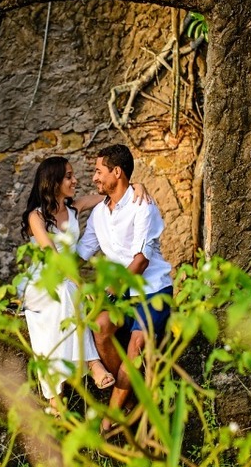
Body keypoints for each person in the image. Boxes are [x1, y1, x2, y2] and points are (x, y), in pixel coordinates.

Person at [20, 156, 149, 413]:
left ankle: (55, 395)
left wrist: (136, 187)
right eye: (68, 176)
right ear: (53, 181)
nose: (75, 180)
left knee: (67, 293)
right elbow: (54, 259)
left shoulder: (74, 208)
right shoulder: (35, 217)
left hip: (66, 282)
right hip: (42, 281)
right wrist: (81, 286)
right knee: (66, 290)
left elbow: (112, 194)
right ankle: (92, 362)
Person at [76, 144, 175, 433]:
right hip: (121, 294)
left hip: (153, 290)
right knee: (100, 327)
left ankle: (111, 417)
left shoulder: (143, 205)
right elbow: (82, 252)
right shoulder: (99, 215)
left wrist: (109, 290)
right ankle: (129, 397)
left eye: (98, 171)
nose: (94, 178)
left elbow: (142, 259)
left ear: (116, 172)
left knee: (136, 345)